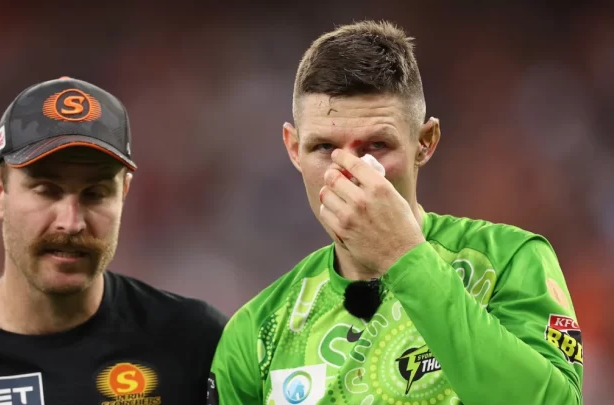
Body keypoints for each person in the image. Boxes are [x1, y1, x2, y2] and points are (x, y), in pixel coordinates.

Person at [208, 20, 583, 405]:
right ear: (293, 148)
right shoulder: (257, 331)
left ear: (424, 142)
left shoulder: (510, 261)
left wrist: (403, 255)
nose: (349, 172)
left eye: (376, 145)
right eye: (323, 148)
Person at [0, 76, 227, 405]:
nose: (71, 222)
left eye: (96, 193)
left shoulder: (196, 344)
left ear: (124, 194)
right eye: (46, 190)